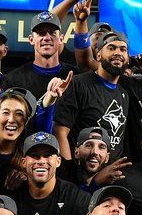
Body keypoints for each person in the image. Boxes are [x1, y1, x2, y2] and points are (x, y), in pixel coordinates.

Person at [6, 132, 89, 215]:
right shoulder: (12, 197)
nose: (41, 161)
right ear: (23, 162)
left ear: (58, 161)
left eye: (48, 155)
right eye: (34, 156)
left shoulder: (77, 197)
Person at [54, 30, 133, 162]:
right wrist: (67, 170)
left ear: (128, 58)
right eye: (111, 48)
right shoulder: (79, 83)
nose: (118, 53)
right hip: (80, 171)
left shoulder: (123, 93)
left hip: (111, 175)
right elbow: (60, 130)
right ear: (98, 55)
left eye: (123, 49)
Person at [2, 11, 78, 98]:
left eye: (52, 33)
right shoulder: (13, 80)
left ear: (61, 39)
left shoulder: (75, 77)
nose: (46, 38)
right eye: (41, 33)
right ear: (31, 40)